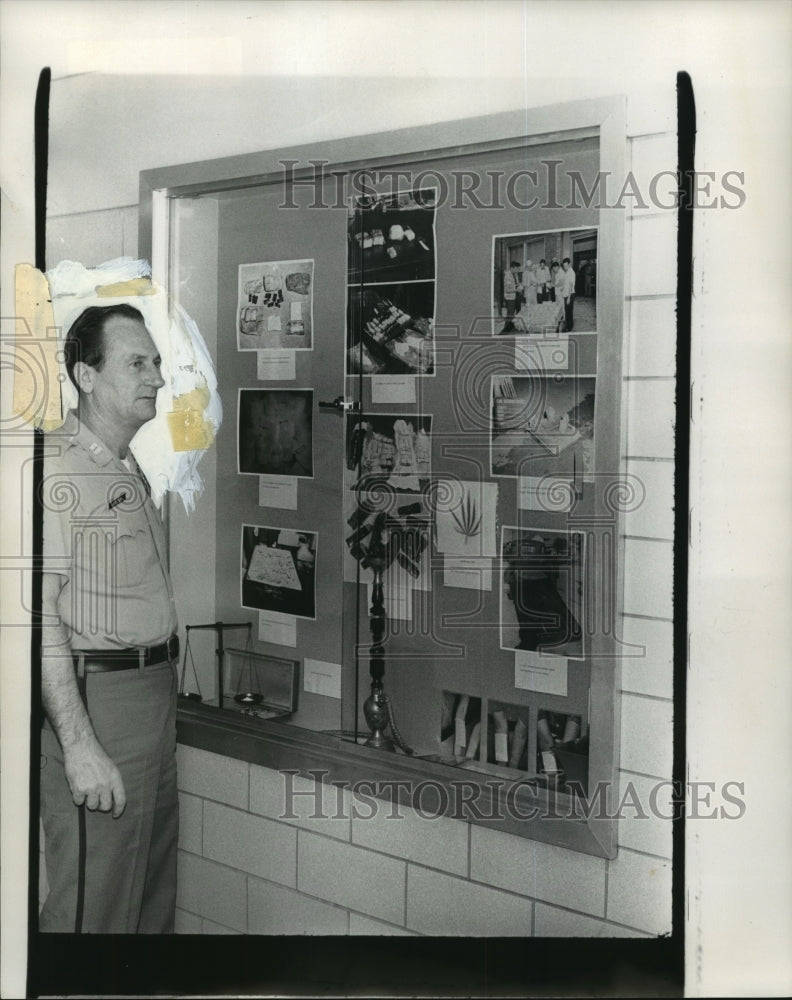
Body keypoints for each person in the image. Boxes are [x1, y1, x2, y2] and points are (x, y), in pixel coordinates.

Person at [39, 303, 180, 933]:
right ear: (86, 376)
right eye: (137, 363)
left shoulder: (126, 463)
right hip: (101, 702)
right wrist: (78, 746)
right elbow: (38, 621)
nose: (156, 376)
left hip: (152, 695)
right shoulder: (57, 470)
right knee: (92, 907)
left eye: (156, 362)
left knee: (148, 895)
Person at [500, 260, 523, 334]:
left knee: (512, 314)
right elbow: (507, 289)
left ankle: (510, 328)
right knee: (510, 315)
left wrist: (518, 286)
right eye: (516, 269)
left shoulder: (513, 274)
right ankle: (505, 331)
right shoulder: (507, 276)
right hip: (509, 298)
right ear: (512, 268)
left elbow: (513, 284)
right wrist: (516, 289)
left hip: (513, 297)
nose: (517, 270)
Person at [561, 257, 576, 331]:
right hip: (566, 294)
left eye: (566, 266)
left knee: (569, 312)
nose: (565, 267)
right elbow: (566, 283)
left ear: (569, 264)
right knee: (567, 311)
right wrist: (562, 288)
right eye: (564, 266)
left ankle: (569, 328)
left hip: (570, 295)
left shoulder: (571, 272)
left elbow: (571, 286)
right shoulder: (567, 272)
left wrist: (569, 298)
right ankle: (568, 325)